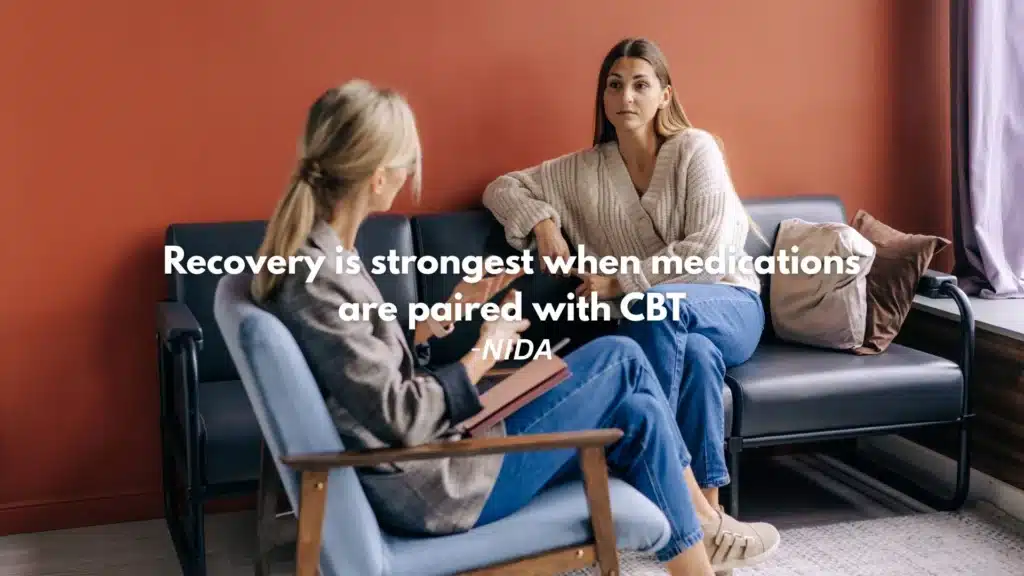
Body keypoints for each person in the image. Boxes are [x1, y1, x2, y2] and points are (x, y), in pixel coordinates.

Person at [249, 79, 779, 576]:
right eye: (406, 162)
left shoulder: (322, 257)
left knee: (638, 407)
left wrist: (446, 315)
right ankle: (706, 523)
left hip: (439, 454)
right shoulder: (316, 277)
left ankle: (701, 544)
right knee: (621, 357)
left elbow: (364, 370)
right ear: (377, 175)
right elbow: (401, 417)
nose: (411, 173)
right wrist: (485, 349)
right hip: (438, 483)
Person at [481, 37, 766, 514]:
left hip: (728, 302)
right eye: (615, 86)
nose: (626, 97)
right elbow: (503, 187)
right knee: (693, 357)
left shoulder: (696, 150)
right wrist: (542, 223)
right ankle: (710, 513)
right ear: (603, 97)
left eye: (640, 85)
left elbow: (710, 254)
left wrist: (619, 283)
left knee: (653, 306)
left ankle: (666, 487)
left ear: (665, 96)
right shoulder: (582, 171)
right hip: (663, 323)